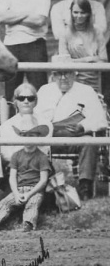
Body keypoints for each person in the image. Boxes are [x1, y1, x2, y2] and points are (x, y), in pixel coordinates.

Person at [35, 55, 108, 200]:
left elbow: (101, 120)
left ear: (75, 73)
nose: (63, 77)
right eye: (58, 73)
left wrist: (83, 127)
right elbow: (36, 118)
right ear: (53, 75)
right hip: (50, 139)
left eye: (67, 72)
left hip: (76, 138)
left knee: (88, 141)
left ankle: (85, 185)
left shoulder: (87, 91)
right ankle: (48, 185)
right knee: (37, 143)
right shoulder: (44, 90)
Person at [0, 118, 51, 233]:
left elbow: (43, 180)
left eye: (32, 136)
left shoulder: (42, 157)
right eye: (25, 135)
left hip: (35, 189)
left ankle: (28, 224)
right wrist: (16, 193)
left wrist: (29, 194)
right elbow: (12, 177)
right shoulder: (16, 156)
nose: (28, 139)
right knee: (5, 202)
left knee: (33, 203)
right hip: (19, 188)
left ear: (38, 137)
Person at [0, 0, 51, 100]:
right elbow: (1, 17)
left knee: (40, 92)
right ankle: (10, 123)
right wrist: (27, 13)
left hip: (35, 45)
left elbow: (39, 20)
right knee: (11, 94)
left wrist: (13, 17)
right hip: (11, 45)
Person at [57, 0, 107, 93]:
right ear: (71, 13)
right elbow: (64, 62)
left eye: (83, 12)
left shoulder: (97, 32)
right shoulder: (64, 33)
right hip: (73, 82)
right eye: (76, 12)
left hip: (94, 82)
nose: (79, 16)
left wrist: (77, 61)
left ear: (88, 13)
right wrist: (90, 59)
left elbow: (103, 61)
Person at [0, 83, 53, 164]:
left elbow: (45, 150)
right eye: (21, 98)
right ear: (15, 101)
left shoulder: (46, 124)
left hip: (38, 165)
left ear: (35, 101)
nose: (26, 101)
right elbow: (6, 154)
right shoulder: (6, 126)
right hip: (15, 166)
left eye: (30, 98)